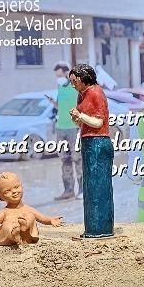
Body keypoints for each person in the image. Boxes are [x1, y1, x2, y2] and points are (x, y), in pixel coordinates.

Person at [67, 63, 114, 238]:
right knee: (89, 187)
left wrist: (81, 116)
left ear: (83, 78)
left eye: (74, 81)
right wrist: (76, 118)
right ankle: (92, 228)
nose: (73, 85)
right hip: (87, 142)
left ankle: (101, 228)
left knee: (99, 187)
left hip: (98, 142)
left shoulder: (96, 92)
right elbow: (82, 123)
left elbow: (98, 123)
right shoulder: (81, 96)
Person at [0, 172, 64, 246]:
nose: (14, 192)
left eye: (16, 187)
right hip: (10, 236)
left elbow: (42, 218)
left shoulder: (28, 209)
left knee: (30, 216)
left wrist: (51, 220)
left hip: (27, 236)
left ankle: (24, 228)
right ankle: (14, 234)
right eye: (7, 191)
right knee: (7, 225)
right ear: (0, 197)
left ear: (22, 186)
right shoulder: (4, 211)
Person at [51, 62, 80, 200]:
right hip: (60, 128)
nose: (58, 78)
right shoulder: (59, 87)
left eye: (59, 75)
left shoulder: (76, 86)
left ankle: (82, 191)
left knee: (78, 159)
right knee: (64, 159)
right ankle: (68, 190)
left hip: (74, 128)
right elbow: (60, 105)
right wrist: (53, 103)